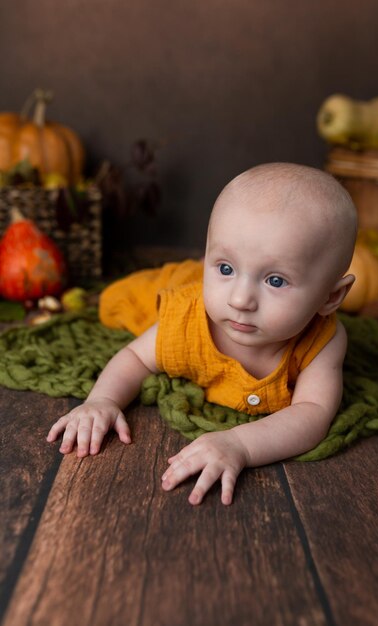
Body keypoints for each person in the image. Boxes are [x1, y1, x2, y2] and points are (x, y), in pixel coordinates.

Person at [47, 163, 357, 506]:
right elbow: (134, 357)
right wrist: (101, 401)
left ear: (330, 297)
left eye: (276, 280)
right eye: (225, 268)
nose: (240, 300)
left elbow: (313, 414)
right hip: (178, 287)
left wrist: (239, 444)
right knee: (122, 301)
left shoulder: (322, 342)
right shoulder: (184, 322)